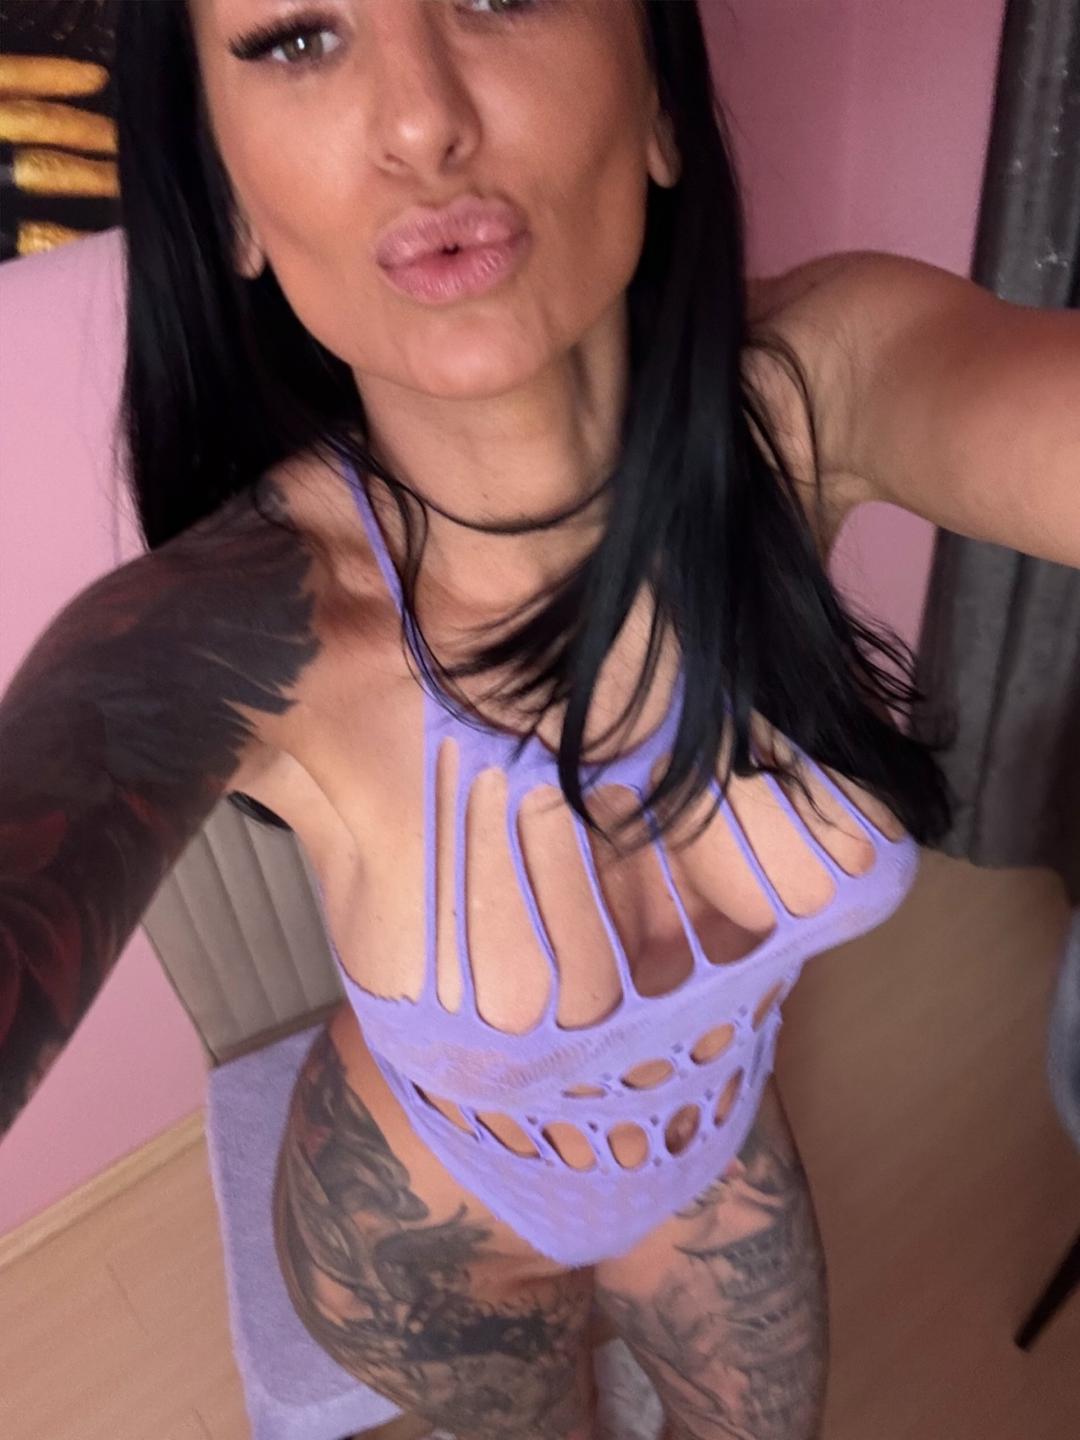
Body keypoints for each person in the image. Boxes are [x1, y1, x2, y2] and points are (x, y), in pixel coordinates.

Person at [2, 2, 1078, 1437]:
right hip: (416, 1234)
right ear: (234, 203)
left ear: (659, 98)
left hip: (714, 1158)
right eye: (298, 38)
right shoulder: (229, 632)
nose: (420, 121)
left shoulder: (820, 396)